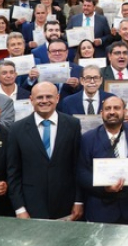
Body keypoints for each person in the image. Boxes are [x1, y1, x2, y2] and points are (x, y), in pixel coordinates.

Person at [7, 82, 83, 220]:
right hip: (31, 207)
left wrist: (78, 201)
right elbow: (13, 173)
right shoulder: (17, 129)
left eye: (49, 97)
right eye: (39, 97)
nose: (44, 101)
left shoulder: (73, 125)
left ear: (58, 98)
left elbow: (78, 166)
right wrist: (19, 208)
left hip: (65, 205)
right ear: (31, 99)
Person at [77, 96, 128, 224]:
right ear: (101, 113)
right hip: (100, 210)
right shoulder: (88, 138)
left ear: (124, 112)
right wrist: (104, 188)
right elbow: (82, 173)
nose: (112, 112)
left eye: (117, 108)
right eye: (108, 109)